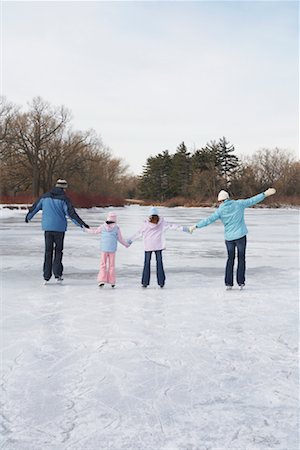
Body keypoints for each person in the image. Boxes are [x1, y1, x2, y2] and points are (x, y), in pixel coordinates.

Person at [188, 188, 276, 290]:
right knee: (241, 259)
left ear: (220, 200)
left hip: (229, 238)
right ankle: (241, 282)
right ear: (228, 198)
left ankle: (229, 283)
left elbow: (208, 220)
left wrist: (196, 226)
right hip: (241, 236)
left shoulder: (220, 210)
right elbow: (252, 200)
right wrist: (264, 194)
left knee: (230, 259)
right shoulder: (239, 204)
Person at [25, 179, 90, 284]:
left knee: (48, 252)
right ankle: (57, 274)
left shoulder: (44, 197)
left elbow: (34, 208)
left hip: (48, 228)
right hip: (59, 229)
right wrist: (82, 225)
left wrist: (28, 217)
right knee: (58, 251)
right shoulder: (64, 199)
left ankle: (46, 276)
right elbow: (71, 214)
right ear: (64, 188)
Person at [128, 206, 187, 288]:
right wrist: (184, 228)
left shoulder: (145, 224)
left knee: (147, 263)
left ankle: (145, 282)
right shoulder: (162, 222)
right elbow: (172, 226)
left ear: (150, 216)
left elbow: (138, 233)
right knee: (159, 263)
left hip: (148, 246)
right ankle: (161, 282)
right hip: (158, 245)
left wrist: (129, 241)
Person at [85, 211, 129, 288]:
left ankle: (101, 280)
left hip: (104, 248)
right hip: (112, 249)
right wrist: (126, 244)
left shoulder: (102, 227)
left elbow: (94, 231)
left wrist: (85, 229)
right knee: (111, 265)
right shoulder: (116, 228)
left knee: (103, 264)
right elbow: (120, 239)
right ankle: (112, 281)